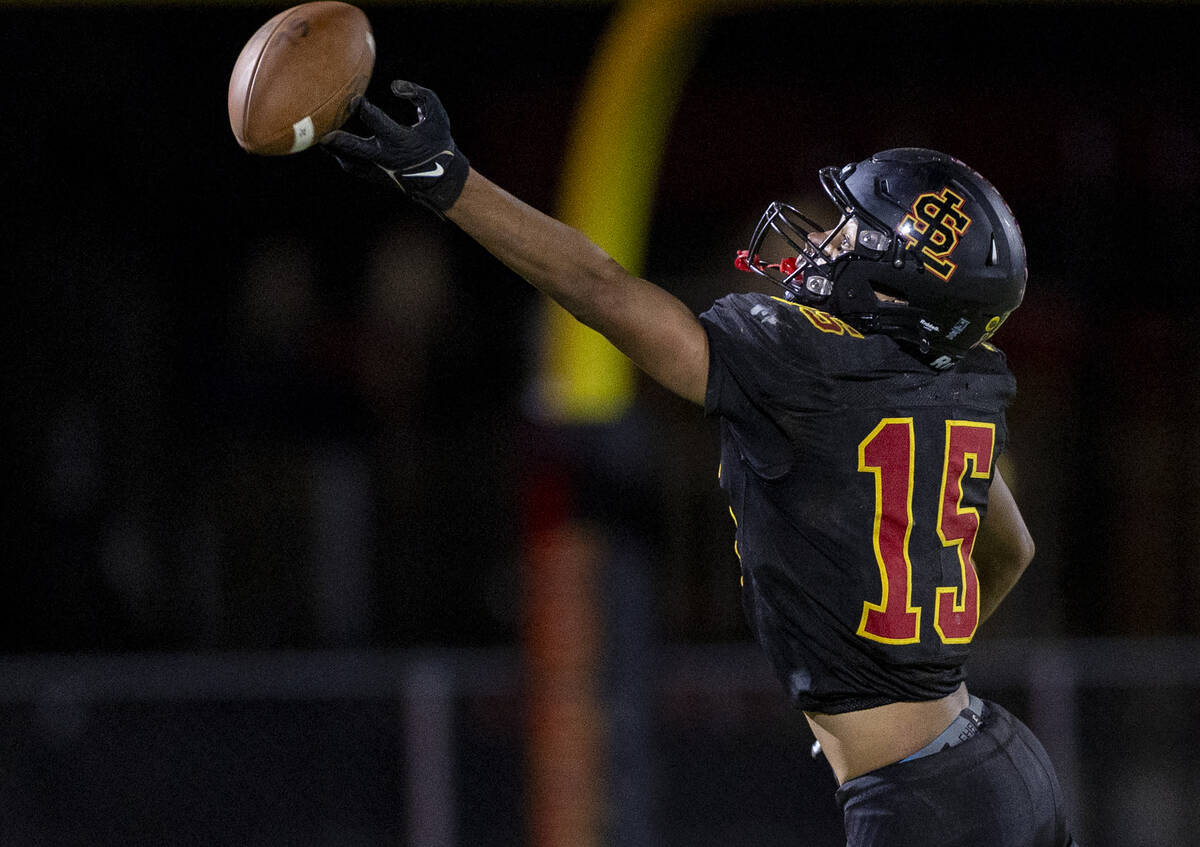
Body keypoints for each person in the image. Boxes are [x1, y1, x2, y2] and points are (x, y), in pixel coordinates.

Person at [319, 80, 1077, 846]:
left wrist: (451, 182)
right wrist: (902, 676)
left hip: (922, 803)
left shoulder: (802, 362)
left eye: (856, 234)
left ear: (898, 283)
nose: (826, 239)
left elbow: (597, 287)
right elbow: (1011, 549)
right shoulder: (963, 378)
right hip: (999, 761)